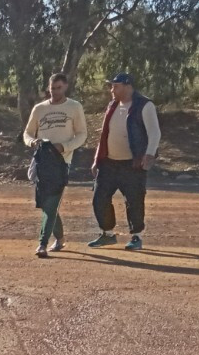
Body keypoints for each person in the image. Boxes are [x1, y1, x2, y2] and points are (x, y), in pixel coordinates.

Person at [89, 72, 160, 251]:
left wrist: (149, 155)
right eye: (112, 86)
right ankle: (107, 234)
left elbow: (154, 133)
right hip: (109, 163)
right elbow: (104, 134)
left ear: (128, 86)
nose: (112, 90)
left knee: (134, 201)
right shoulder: (112, 105)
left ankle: (136, 236)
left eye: (116, 86)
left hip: (133, 164)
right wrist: (98, 159)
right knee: (99, 198)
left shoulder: (145, 105)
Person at [22, 72, 87, 258]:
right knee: (45, 203)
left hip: (61, 162)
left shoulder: (74, 107)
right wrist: (32, 142)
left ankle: (42, 243)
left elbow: (82, 134)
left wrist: (65, 147)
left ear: (65, 87)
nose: (55, 92)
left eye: (58, 88)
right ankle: (60, 238)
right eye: (52, 89)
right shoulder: (39, 109)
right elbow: (27, 133)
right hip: (43, 161)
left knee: (51, 204)